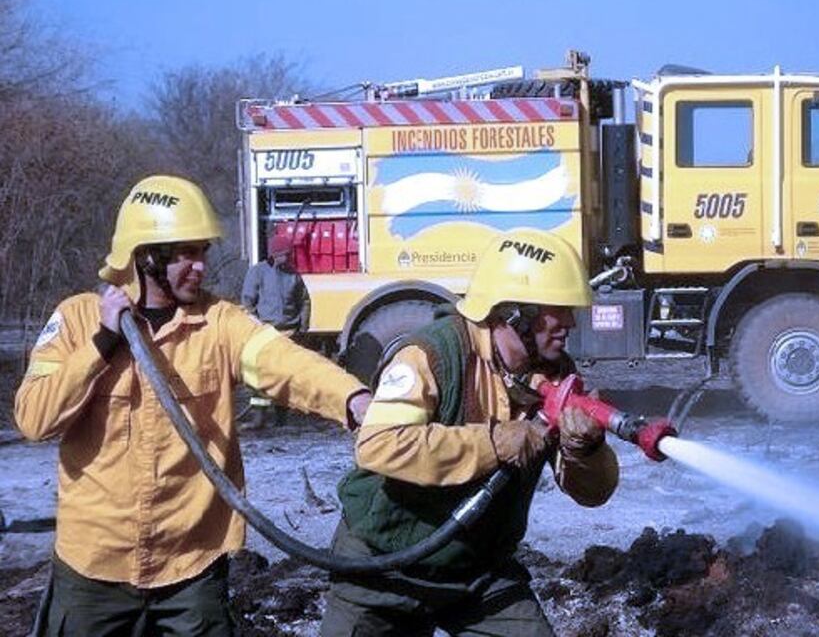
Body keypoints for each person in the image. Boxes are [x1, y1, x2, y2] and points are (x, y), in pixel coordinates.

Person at [14, 175, 371, 636]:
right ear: (145, 255)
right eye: (184, 253)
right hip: (93, 571)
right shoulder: (77, 318)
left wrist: (354, 399)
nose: (199, 266)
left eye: (201, 251)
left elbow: (286, 363)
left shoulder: (219, 324)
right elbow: (33, 418)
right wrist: (102, 342)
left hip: (191, 572)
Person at [320, 228, 619, 637]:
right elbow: (378, 445)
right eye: (559, 309)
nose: (569, 322)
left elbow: (593, 495)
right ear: (514, 312)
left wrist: (586, 451)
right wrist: (496, 442)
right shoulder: (430, 355)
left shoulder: (556, 376)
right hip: (382, 565)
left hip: (476, 573)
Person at [240, 232, 311, 429]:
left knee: (284, 377)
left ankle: (282, 419)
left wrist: (302, 327)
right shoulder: (258, 272)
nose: (288, 258)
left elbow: (304, 301)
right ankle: (259, 418)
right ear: (273, 255)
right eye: (284, 255)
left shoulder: (293, 276)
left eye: (289, 255)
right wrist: (256, 324)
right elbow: (247, 302)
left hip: (289, 333)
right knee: (259, 376)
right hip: (265, 334)